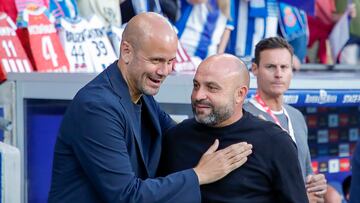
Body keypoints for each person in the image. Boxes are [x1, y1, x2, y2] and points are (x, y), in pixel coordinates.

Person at [48, 12, 253, 202]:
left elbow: (182, 137)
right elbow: (127, 196)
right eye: (156, 60)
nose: (164, 71)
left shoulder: (140, 95)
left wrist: (250, 128)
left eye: (170, 61)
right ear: (127, 51)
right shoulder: (96, 108)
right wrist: (199, 175)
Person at [160, 53, 309, 202]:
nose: (198, 95)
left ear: (240, 94)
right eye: (196, 85)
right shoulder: (176, 137)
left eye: (211, 88)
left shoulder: (275, 142)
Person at [243, 36, 327, 203]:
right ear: (254, 69)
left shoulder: (296, 116)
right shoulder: (244, 116)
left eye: (284, 67)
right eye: (270, 67)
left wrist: (316, 185)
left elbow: (306, 170)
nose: (278, 74)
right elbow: (246, 186)